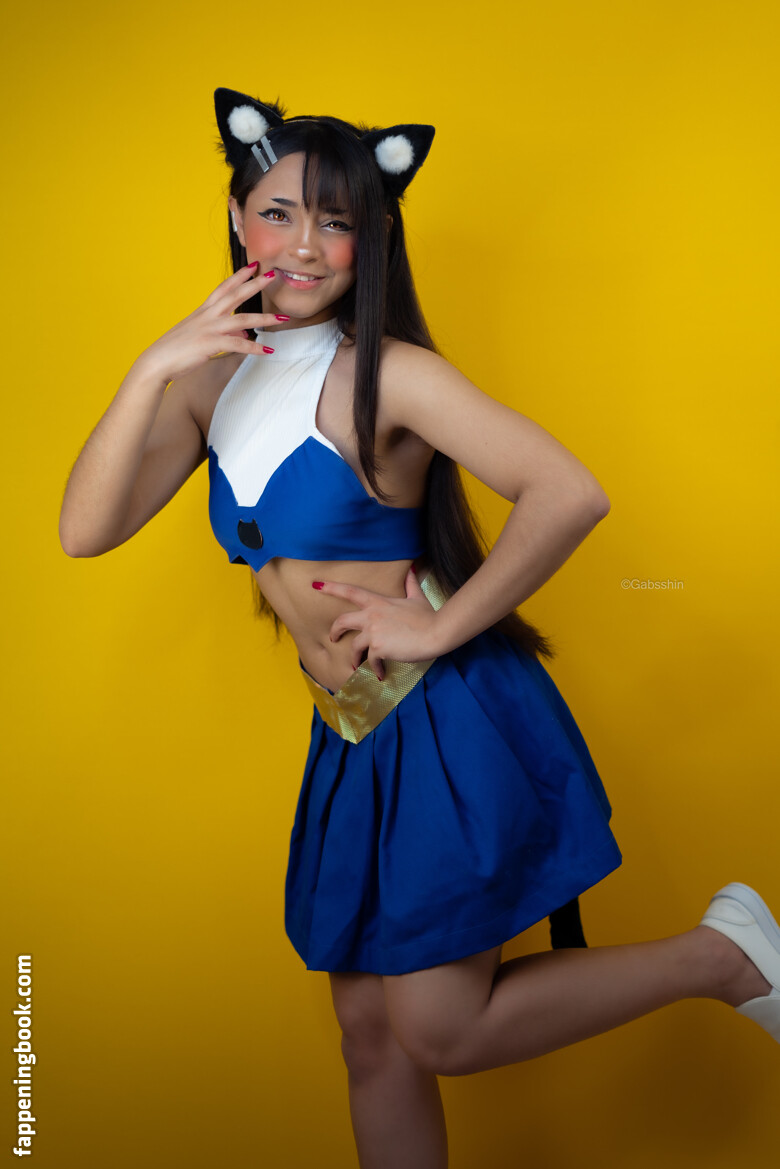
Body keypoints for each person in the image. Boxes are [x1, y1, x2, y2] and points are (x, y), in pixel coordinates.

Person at [59, 88, 779, 1168]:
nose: (305, 245)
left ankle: (722, 955)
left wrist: (440, 630)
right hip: (352, 730)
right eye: (278, 213)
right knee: (372, 1038)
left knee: (440, 1028)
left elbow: (568, 491)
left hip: (439, 720)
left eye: (338, 221)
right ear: (238, 216)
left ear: (373, 240)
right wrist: (151, 366)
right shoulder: (212, 384)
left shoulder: (389, 373)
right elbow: (85, 530)